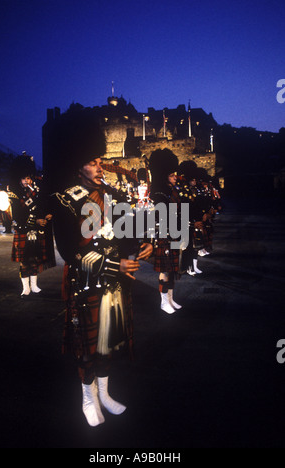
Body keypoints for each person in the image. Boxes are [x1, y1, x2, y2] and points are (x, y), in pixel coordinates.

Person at [48, 110, 153, 427]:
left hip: (116, 283)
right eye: (91, 162)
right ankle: (87, 398)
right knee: (87, 344)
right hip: (87, 281)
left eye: (99, 160)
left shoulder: (111, 195)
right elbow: (68, 253)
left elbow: (125, 233)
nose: (98, 167)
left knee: (109, 341)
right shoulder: (64, 200)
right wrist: (114, 262)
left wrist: (140, 246)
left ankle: (105, 394)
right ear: (76, 164)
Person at [8, 154, 55, 297]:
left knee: (34, 259)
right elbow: (18, 216)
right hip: (23, 230)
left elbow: (40, 207)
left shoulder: (36, 191)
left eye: (28, 178)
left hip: (35, 231)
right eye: (23, 178)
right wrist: (36, 221)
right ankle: (25, 288)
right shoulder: (14, 195)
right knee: (24, 261)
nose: (26, 181)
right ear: (19, 178)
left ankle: (34, 285)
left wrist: (46, 214)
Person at [149, 149, 182, 314]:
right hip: (164, 236)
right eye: (171, 174)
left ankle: (170, 299)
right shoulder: (158, 194)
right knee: (165, 271)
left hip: (173, 235)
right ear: (164, 176)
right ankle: (163, 302)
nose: (175, 177)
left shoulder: (171, 192)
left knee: (173, 270)